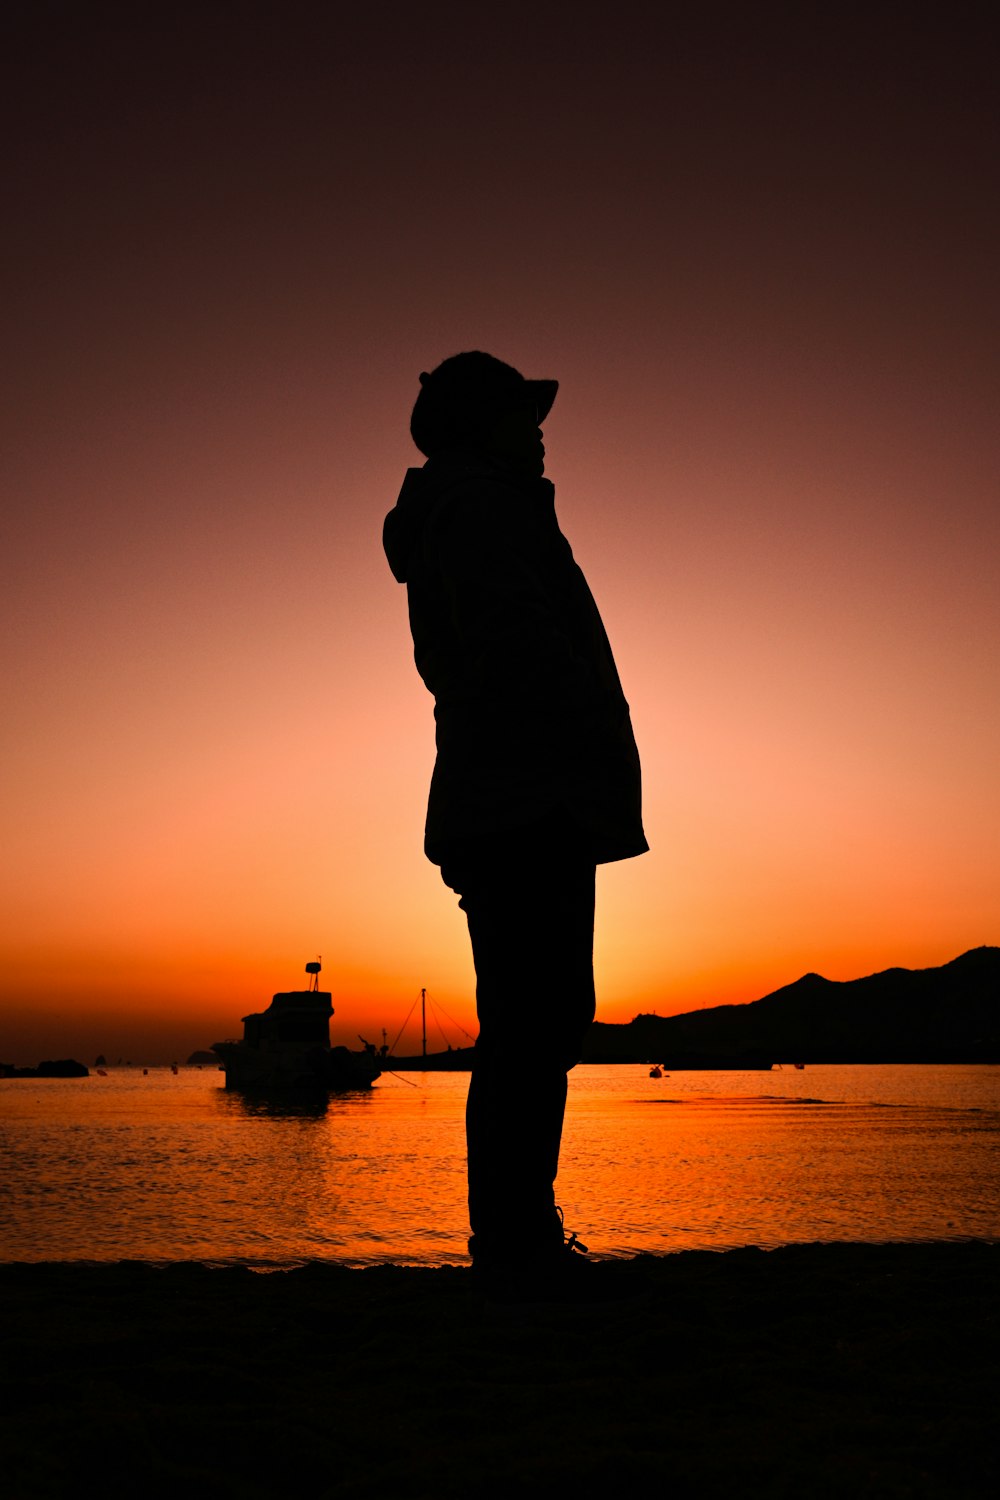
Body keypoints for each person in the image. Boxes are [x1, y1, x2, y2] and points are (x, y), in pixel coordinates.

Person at [383, 351, 647, 1300]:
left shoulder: (469, 506)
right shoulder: (485, 506)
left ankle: (519, 1235)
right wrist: (583, 731)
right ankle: (517, 1243)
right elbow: (516, 643)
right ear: (476, 424)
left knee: (530, 1023)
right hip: (527, 797)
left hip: (510, 795)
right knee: (535, 1025)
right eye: (521, 414)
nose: (540, 430)